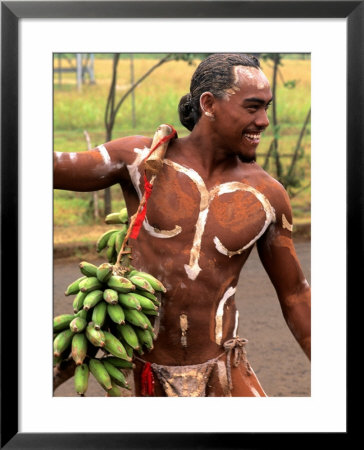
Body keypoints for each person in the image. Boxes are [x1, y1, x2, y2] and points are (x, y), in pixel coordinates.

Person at [54, 53, 311, 397]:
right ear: (208, 104)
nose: (264, 121)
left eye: (267, 107)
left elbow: (295, 294)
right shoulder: (140, 160)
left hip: (224, 372)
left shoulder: (268, 195)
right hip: (145, 374)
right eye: (253, 108)